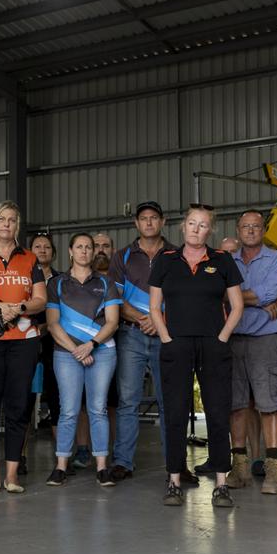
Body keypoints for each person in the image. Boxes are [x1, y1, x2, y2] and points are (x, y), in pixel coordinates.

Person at [149, 205, 243, 507]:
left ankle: (221, 483)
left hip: (213, 345)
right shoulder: (165, 261)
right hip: (176, 345)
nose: (196, 229)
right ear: (182, 226)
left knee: (217, 412)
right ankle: (174, 479)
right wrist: (166, 338)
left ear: (210, 230)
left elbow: (237, 305)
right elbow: (154, 307)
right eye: (191, 223)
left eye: (203, 225)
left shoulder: (223, 261)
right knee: (175, 412)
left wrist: (222, 338)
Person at [0, 201, 46, 495]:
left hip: (25, 341)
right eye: (2, 219)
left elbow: (41, 300)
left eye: (12, 220)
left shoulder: (30, 259)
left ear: (17, 226)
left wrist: (18, 307)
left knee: (19, 407)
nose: (7, 224)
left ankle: (13, 474)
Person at [44, 233, 121, 487]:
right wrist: (76, 350)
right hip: (67, 354)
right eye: (80, 247)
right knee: (68, 410)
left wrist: (91, 345)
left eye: (89, 247)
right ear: (70, 251)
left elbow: (113, 321)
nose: (85, 251)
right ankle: (60, 467)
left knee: (98, 409)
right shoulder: (56, 284)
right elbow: (53, 324)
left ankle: (102, 467)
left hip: (102, 350)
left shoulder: (106, 282)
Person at [226, 210, 277, 493]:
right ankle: (239, 467)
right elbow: (216, 292)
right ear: (238, 230)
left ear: (264, 229)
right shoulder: (226, 261)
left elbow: (268, 293)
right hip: (232, 336)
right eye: (245, 226)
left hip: (264, 338)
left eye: (256, 226)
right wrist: (258, 302)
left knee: (268, 403)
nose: (250, 230)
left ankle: (274, 469)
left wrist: (238, 297)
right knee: (236, 404)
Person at [109, 201, 170, 481]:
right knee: (128, 401)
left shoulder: (175, 255)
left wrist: (159, 322)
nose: (148, 223)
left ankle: (176, 464)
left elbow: (182, 296)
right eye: (143, 218)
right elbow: (115, 299)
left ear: (162, 222)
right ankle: (122, 462)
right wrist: (146, 320)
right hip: (131, 334)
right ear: (136, 223)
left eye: (153, 218)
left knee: (169, 401)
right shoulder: (122, 257)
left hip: (167, 335)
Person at [28, 232, 60, 444]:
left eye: (46, 247)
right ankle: (19, 456)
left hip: (54, 341)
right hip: (27, 338)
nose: (42, 250)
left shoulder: (61, 280)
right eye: (37, 246)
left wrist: (48, 327)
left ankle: (61, 454)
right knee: (24, 397)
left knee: (56, 395)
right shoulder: (24, 276)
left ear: (54, 253)